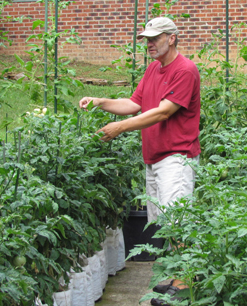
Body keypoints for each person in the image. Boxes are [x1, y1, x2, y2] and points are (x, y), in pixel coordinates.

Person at [78, 17, 200, 306]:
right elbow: (135, 104)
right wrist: (100, 101)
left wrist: (119, 128)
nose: (149, 44)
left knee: (178, 221)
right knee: (165, 222)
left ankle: (186, 284)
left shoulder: (185, 70)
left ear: (171, 38)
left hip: (176, 157)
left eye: (155, 38)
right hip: (156, 158)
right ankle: (174, 276)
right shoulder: (154, 69)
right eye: (147, 38)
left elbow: (161, 112)